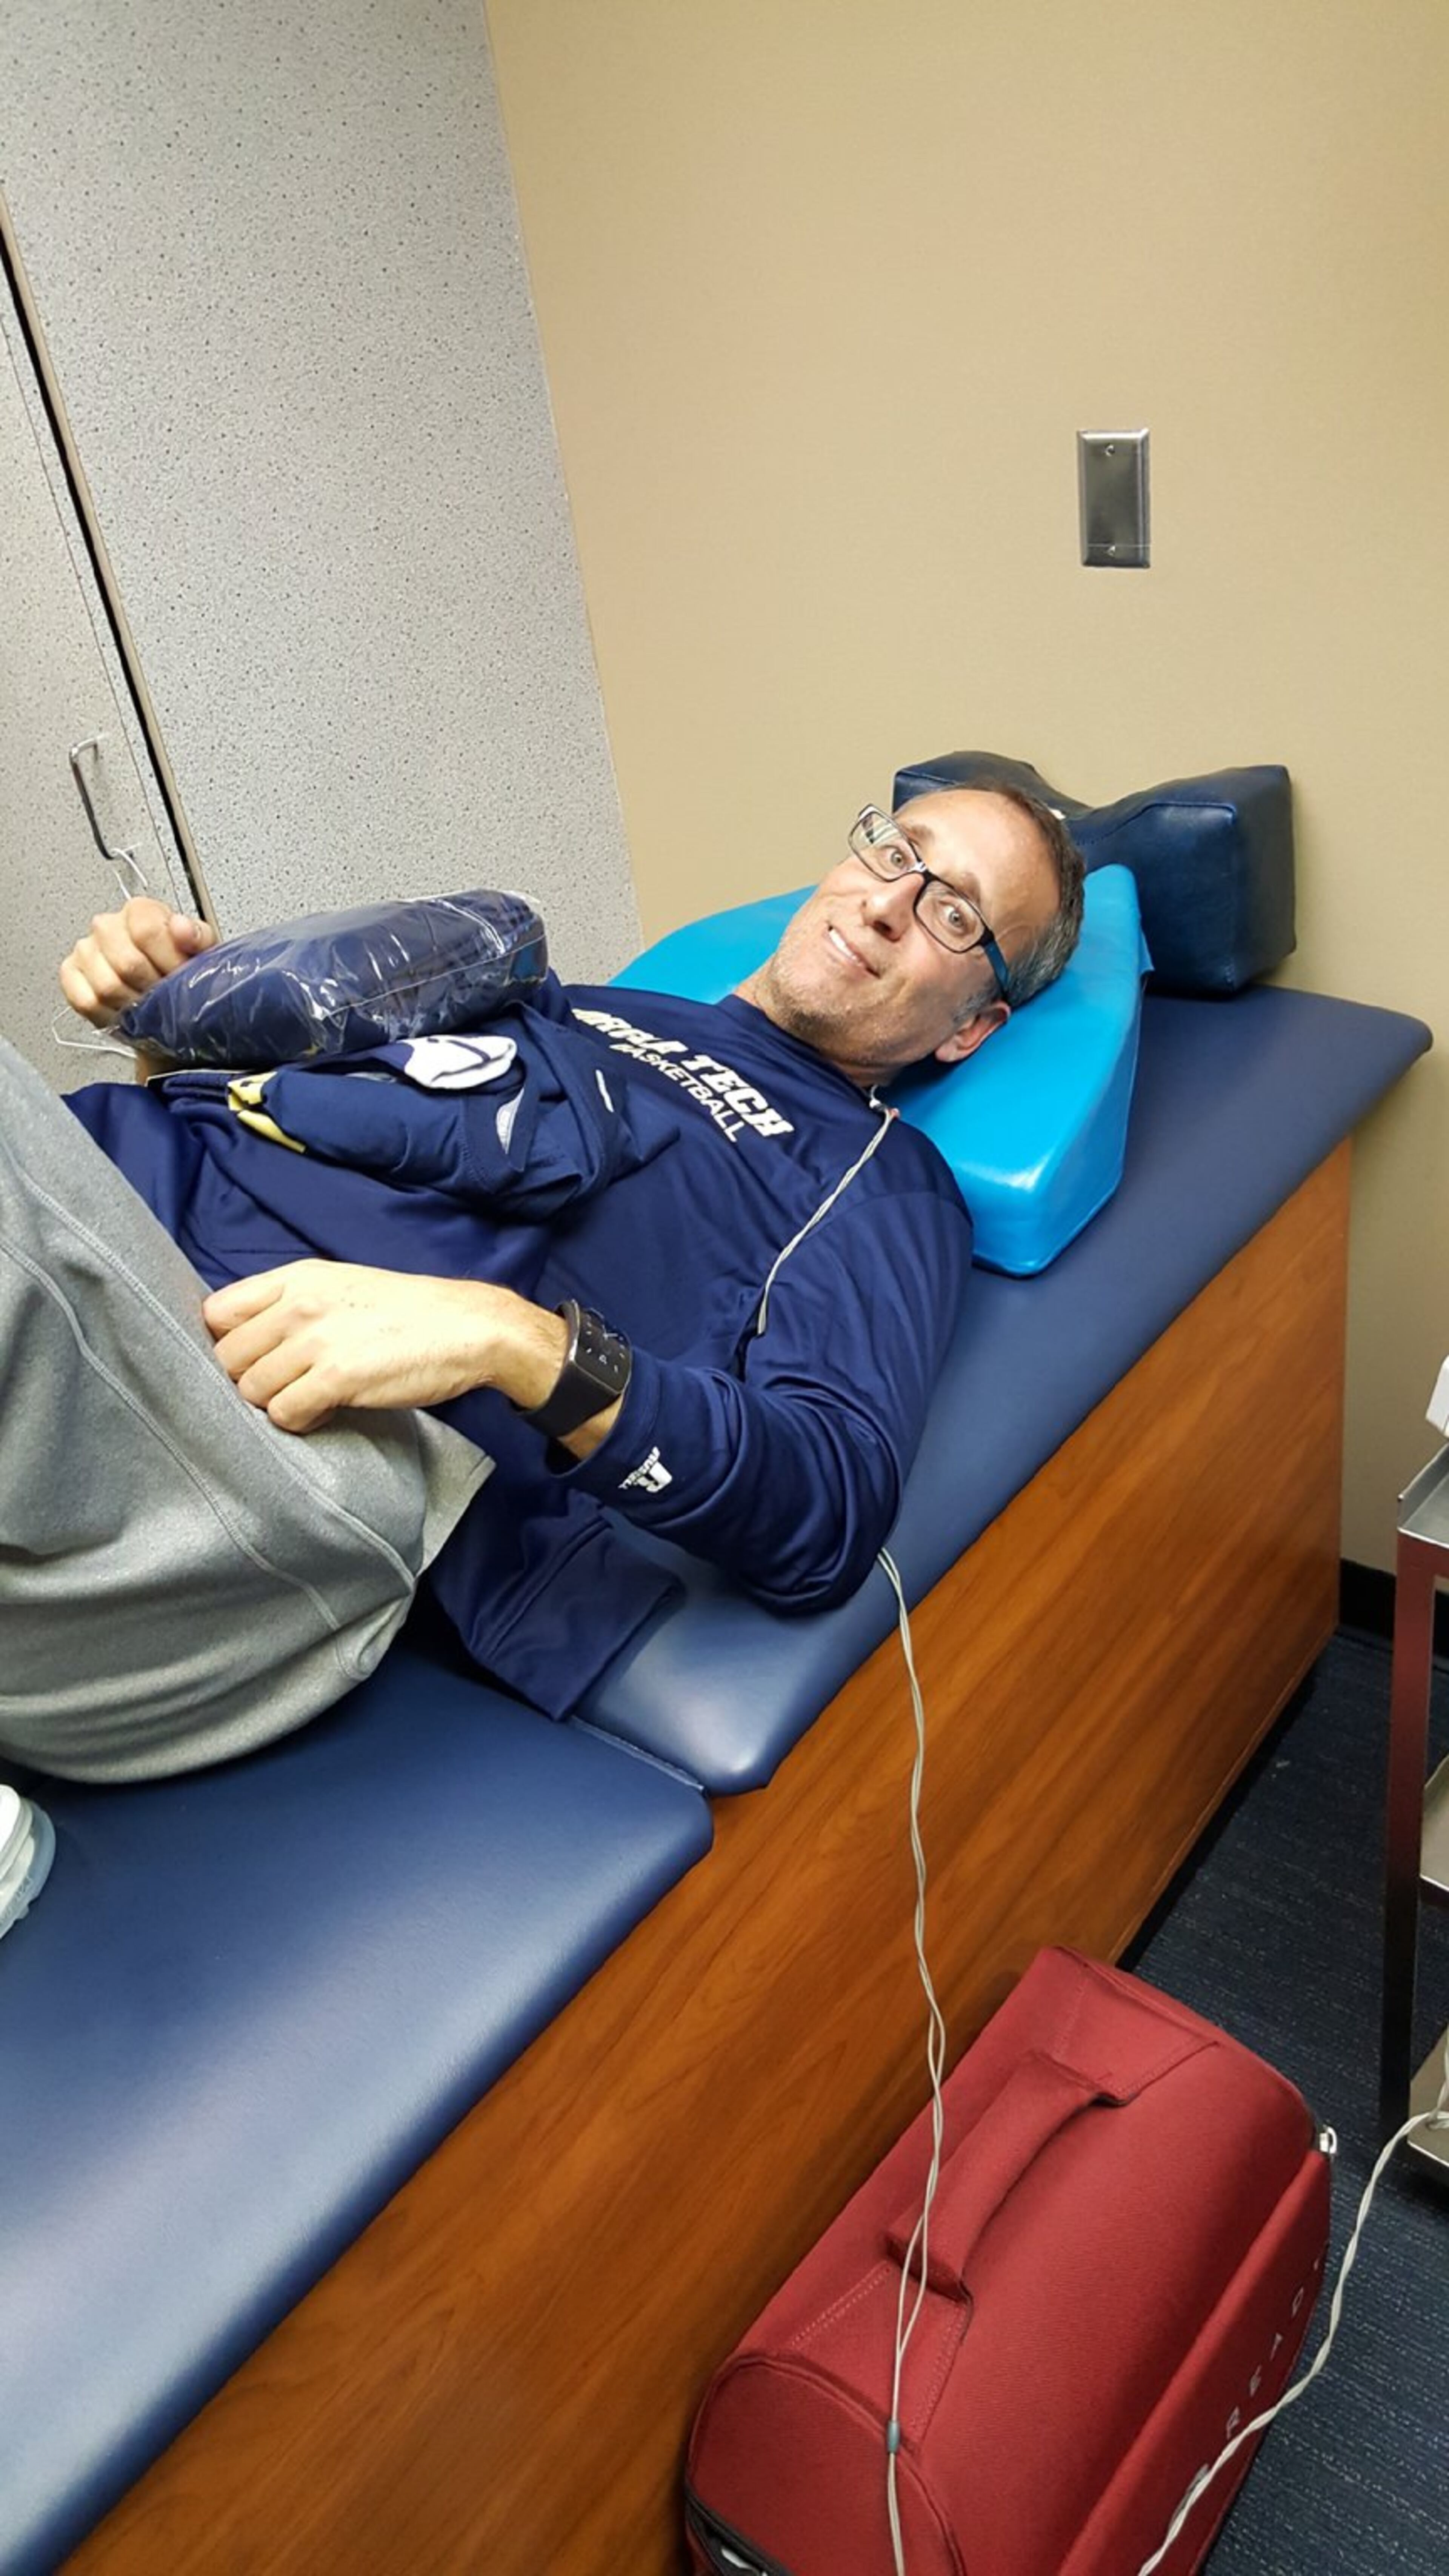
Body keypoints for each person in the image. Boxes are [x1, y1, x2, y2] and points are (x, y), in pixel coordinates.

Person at [2, 787, 1082, 1780]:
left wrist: (514, 1343)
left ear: (973, 1028)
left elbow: (829, 1510)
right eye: (899, 852)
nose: (893, 900)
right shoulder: (592, 1006)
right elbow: (314, 1136)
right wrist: (175, 1017)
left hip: (280, 1427)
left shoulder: (877, 1177)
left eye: (955, 914)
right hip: (114, 1236)